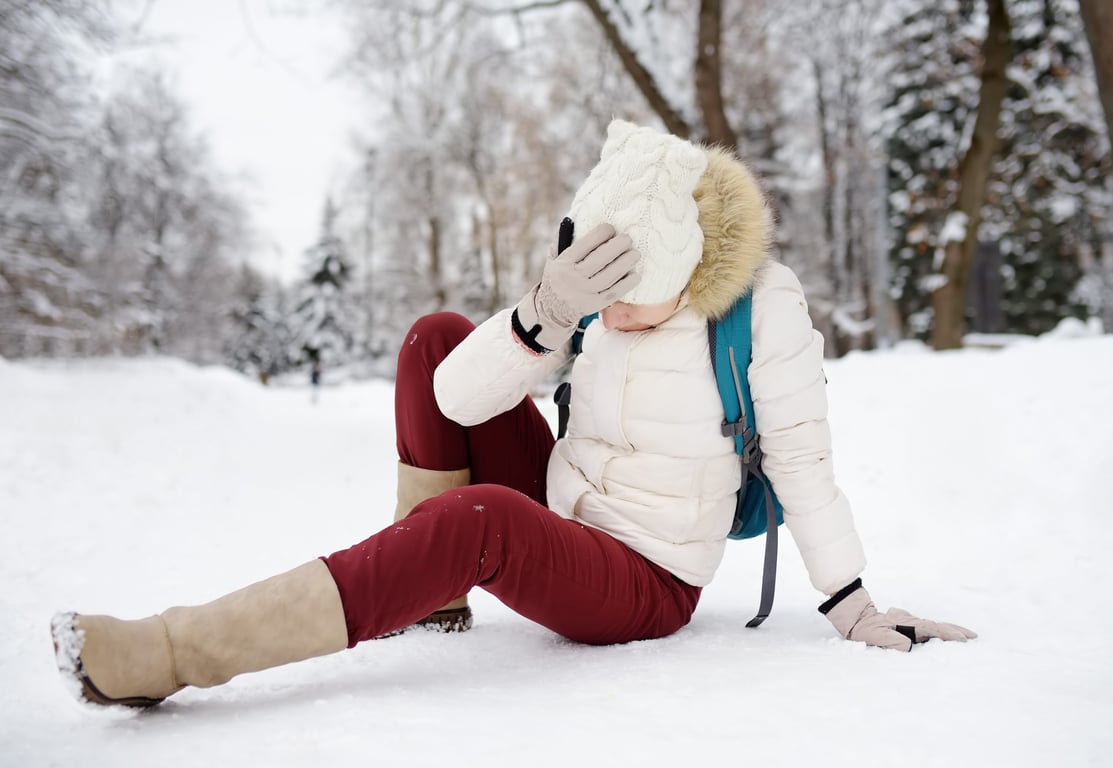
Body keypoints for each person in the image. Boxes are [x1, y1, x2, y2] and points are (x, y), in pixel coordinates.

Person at [51, 120, 975, 710]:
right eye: (597, 290)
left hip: (644, 574)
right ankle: (434, 587)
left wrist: (850, 603)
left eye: (629, 293)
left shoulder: (762, 305)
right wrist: (546, 312)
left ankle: (174, 651)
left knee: (478, 519)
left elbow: (805, 460)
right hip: (564, 507)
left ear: (687, 266)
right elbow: (454, 397)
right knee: (435, 340)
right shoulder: (595, 300)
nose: (609, 314)